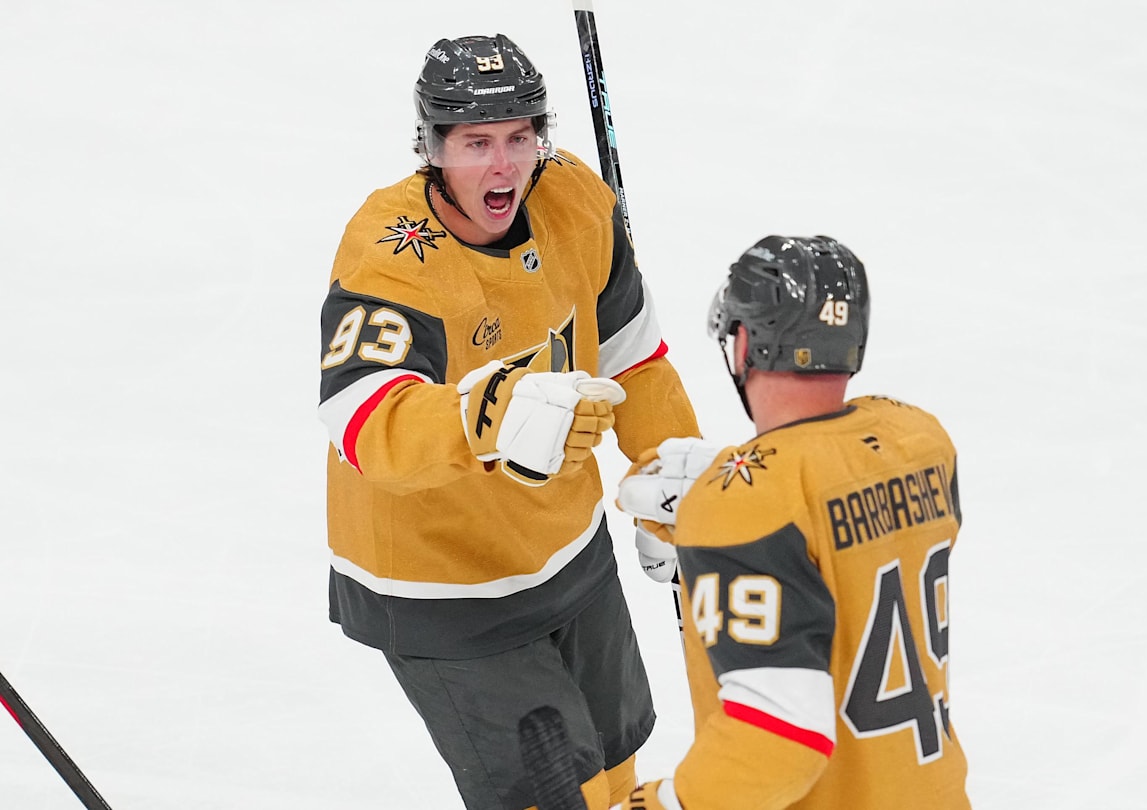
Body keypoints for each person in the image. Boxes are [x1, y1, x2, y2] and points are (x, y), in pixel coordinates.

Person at [316, 34, 699, 810]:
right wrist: (487, 415)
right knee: (559, 798)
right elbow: (365, 422)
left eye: (520, 138)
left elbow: (634, 360)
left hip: (568, 550)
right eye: (477, 143)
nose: (504, 166)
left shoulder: (574, 200)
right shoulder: (392, 251)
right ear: (432, 148)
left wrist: (667, 478)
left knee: (617, 774)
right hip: (441, 581)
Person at [614, 236, 972, 809]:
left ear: (744, 344)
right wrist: (726, 491)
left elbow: (777, 740)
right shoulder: (919, 440)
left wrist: (660, 804)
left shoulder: (745, 505)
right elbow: (842, 524)